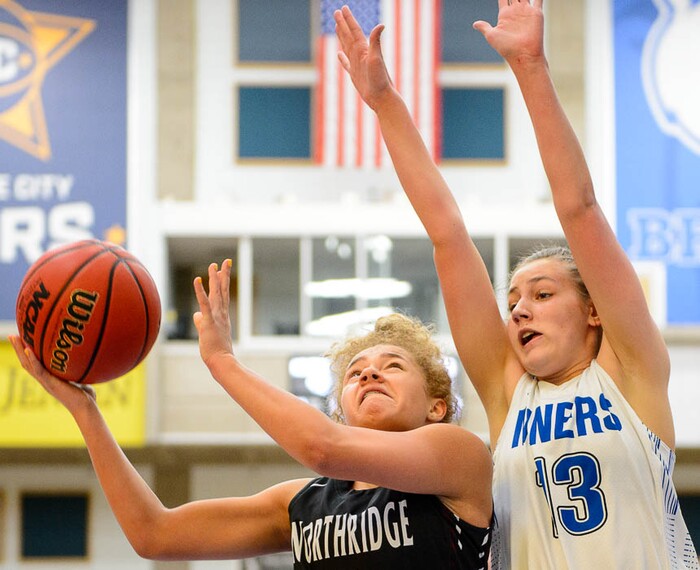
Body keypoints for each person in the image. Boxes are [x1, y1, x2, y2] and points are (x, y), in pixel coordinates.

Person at [334, 1, 698, 568]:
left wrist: (530, 66)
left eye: (542, 295)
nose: (520, 311)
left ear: (594, 312)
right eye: (512, 303)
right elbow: (448, 235)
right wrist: (384, 103)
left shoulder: (632, 374)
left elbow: (579, 209)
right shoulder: (509, 391)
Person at [8, 258, 493, 568]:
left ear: (437, 405)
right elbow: (153, 534)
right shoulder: (302, 506)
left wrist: (222, 362)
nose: (368, 375)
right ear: (341, 409)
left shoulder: (458, 458)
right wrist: (86, 412)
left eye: (392, 366)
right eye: (354, 373)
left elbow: (321, 448)